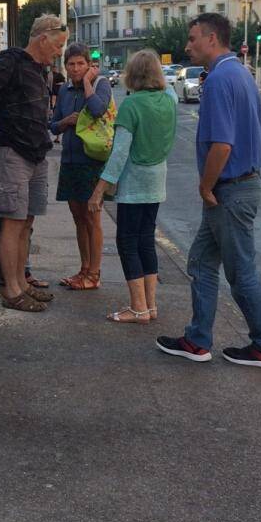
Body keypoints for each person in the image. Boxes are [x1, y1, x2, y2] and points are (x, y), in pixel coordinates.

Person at [156, 13, 261, 368]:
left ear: (212, 39)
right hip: (240, 186)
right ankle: (197, 339)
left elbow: (222, 145)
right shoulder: (240, 73)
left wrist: (205, 185)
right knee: (200, 260)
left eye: (193, 38)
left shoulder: (217, 81)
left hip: (229, 190)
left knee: (240, 271)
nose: (187, 45)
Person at [0, 14, 68, 312]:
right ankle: (11, 290)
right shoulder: (12, 61)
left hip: (36, 153)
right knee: (12, 222)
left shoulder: (40, 70)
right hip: (11, 152)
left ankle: (21, 283)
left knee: (26, 222)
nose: (59, 52)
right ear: (43, 38)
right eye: (57, 45)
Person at [88, 49, 176, 321]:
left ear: (133, 75)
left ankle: (137, 307)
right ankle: (150, 305)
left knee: (127, 242)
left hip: (134, 184)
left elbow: (119, 154)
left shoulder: (132, 105)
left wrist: (98, 190)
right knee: (146, 241)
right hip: (157, 180)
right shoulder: (170, 100)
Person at [49, 42, 112, 290]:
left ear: (89, 65)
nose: (75, 69)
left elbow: (97, 109)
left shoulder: (100, 85)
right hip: (70, 159)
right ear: (65, 66)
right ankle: (83, 269)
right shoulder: (63, 91)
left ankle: (94, 274)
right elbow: (52, 125)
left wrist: (87, 83)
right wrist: (65, 121)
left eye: (80, 64)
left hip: (92, 161)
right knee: (78, 218)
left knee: (92, 218)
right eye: (71, 64)